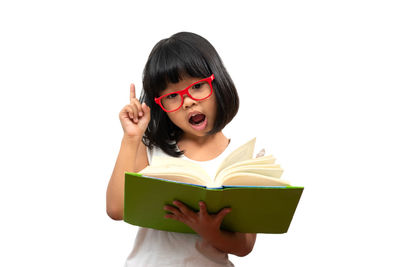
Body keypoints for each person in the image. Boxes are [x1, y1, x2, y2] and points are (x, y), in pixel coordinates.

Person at [106, 32, 261, 266]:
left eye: (198, 86)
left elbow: (244, 245)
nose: (188, 101)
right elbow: (116, 209)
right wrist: (131, 138)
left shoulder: (242, 159)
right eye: (172, 96)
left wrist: (209, 231)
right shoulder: (150, 148)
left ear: (217, 82)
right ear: (160, 105)